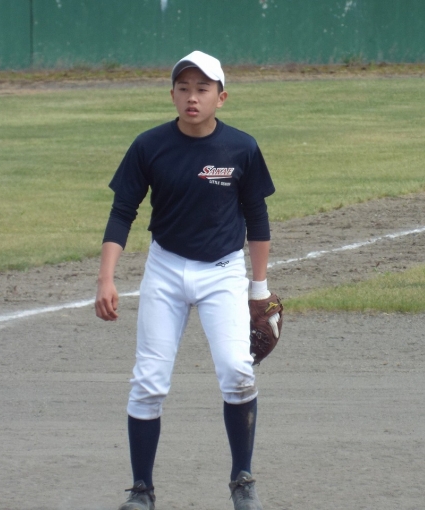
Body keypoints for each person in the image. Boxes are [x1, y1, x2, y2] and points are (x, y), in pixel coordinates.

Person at [94, 50, 277, 510]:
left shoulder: (241, 148)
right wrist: (106, 278)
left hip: (223, 272)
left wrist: (258, 290)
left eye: (202, 89)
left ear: (221, 97)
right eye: (183, 88)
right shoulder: (149, 145)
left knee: (237, 371)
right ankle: (141, 490)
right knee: (149, 381)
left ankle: (242, 481)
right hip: (165, 270)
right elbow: (122, 212)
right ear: (172, 94)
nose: (192, 97)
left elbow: (257, 218)